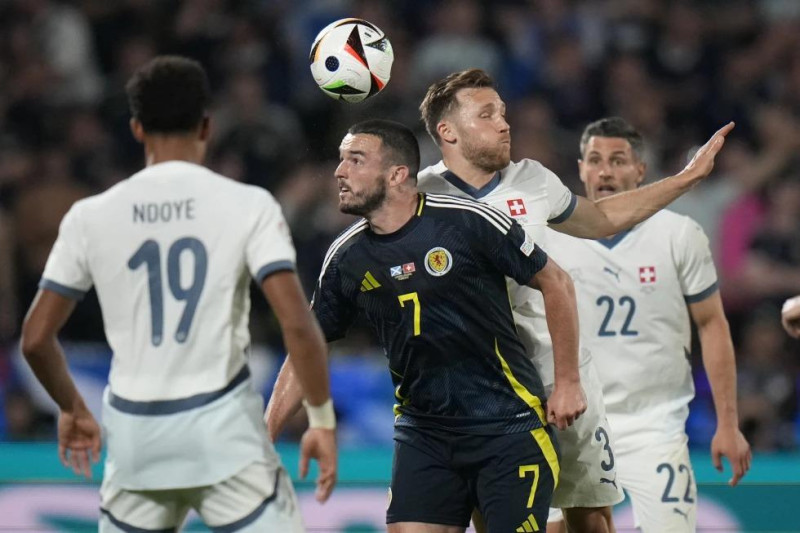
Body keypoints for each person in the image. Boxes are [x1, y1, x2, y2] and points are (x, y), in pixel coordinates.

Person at [20, 55, 337, 532]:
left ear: (136, 129)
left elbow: (35, 339)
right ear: (206, 126)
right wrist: (320, 419)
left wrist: (72, 407)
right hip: (222, 429)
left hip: (135, 436)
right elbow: (297, 323)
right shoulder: (248, 204)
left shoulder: (91, 215)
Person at [415, 68, 734, 532]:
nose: (505, 124)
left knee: (591, 520)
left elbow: (602, 216)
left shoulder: (533, 180)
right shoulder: (421, 195)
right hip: (482, 386)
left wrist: (686, 179)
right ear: (448, 131)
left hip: (555, 373)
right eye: (487, 115)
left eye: (503, 113)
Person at [266, 119, 581, 533]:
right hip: (424, 435)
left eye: (355, 160)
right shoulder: (346, 258)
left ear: (398, 175)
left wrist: (568, 381)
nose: (340, 172)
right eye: (341, 160)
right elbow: (308, 344)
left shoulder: (468, 222)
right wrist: (263, 436)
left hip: (507, 428)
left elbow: (555, 282)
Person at [544, 117, 751, 531]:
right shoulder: (550, 236)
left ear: (641, 170)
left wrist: (728, 423)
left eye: (618, 160)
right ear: (581, 168)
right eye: (595, 160)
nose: (605, 171)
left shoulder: (679, 234)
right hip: (571, 424)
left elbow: (712, 325)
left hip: (653, 425)